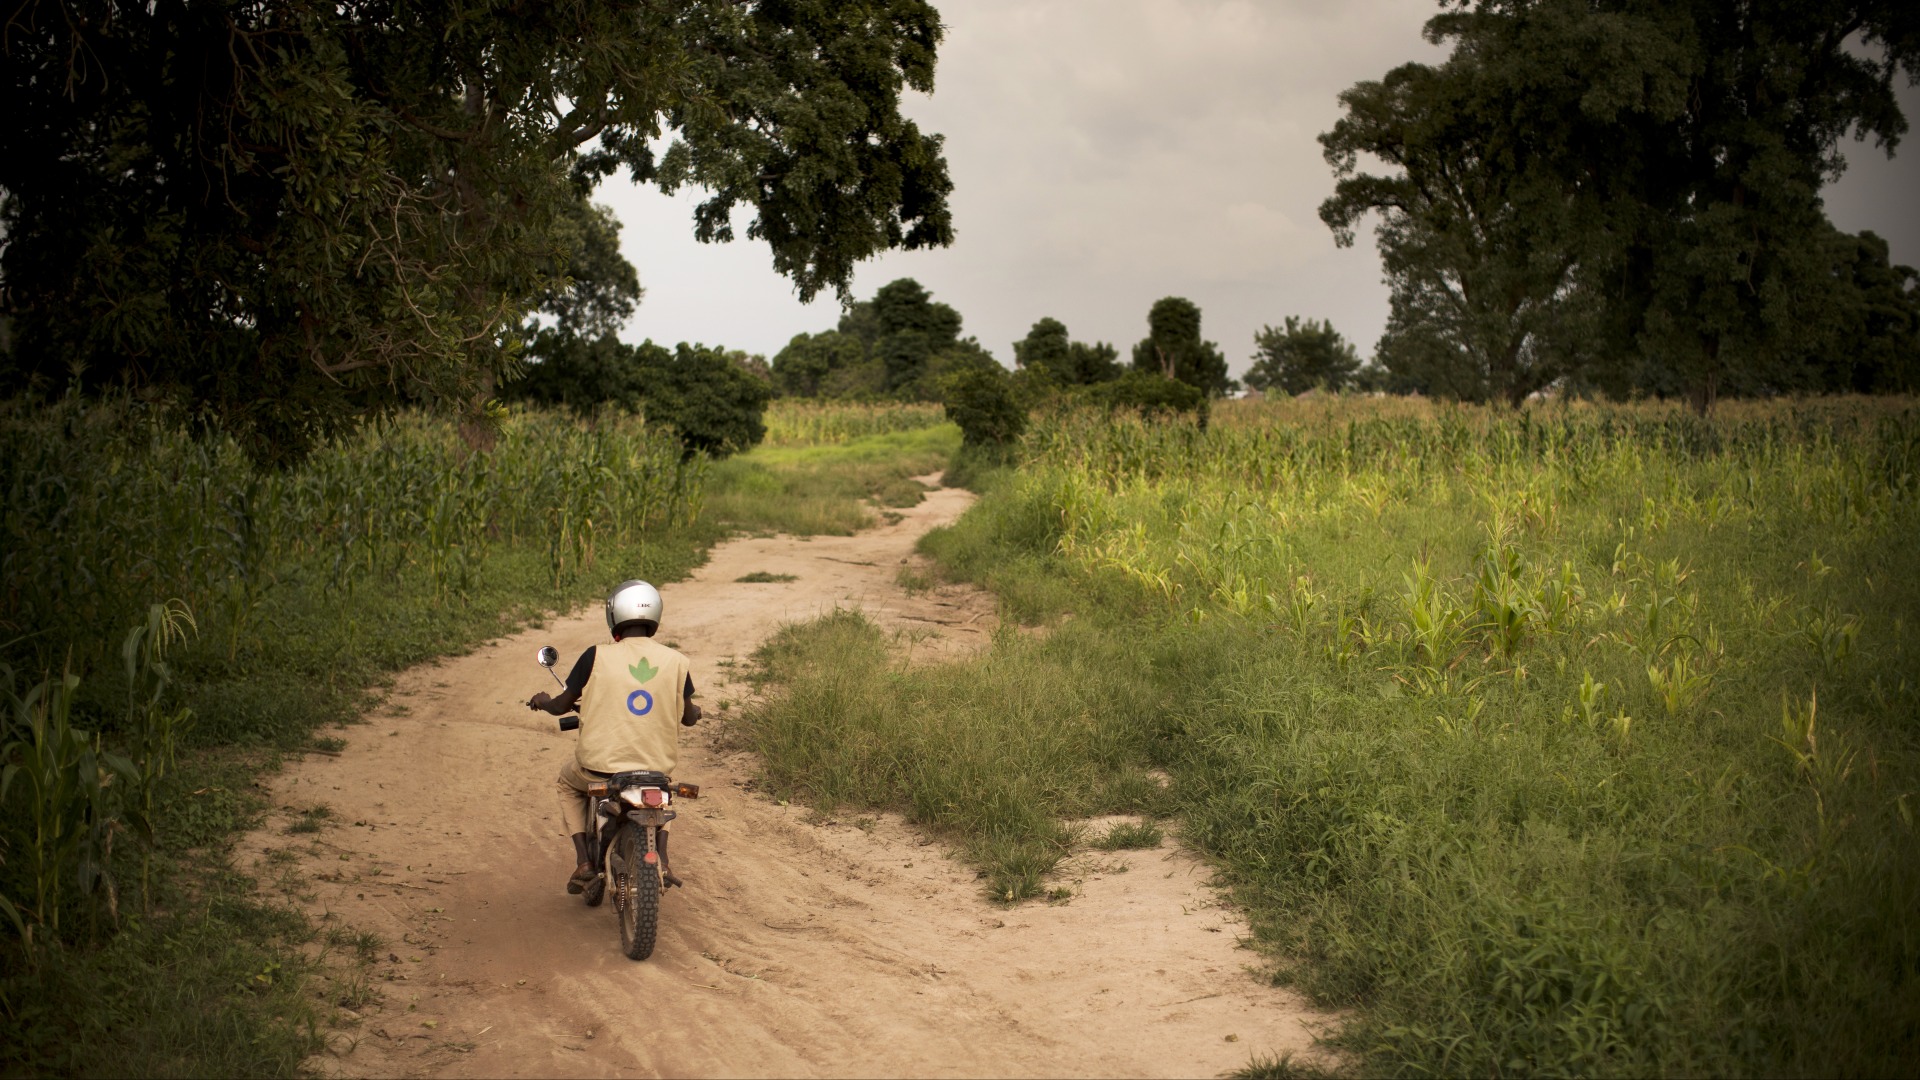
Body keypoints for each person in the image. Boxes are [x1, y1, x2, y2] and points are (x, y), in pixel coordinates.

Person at [527, 579, 701, 894]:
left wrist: (542, 700)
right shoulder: (676, 662)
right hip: (653, 770)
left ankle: (583, 861)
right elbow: (688, 717)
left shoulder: (595, 656)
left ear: (614, 615)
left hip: (598, 769)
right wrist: (694, 711)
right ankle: (661, 857)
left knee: (567, 783)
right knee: (661, 790)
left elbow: (561, 705)